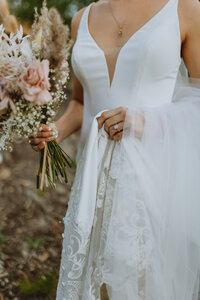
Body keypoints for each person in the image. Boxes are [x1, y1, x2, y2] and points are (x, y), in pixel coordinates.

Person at [30, 0, 200, 299]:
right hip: (93, 179)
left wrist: (148, 120)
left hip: (154, 176)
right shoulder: (81, 19)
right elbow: (82, 103)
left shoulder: (184, 9)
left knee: (144, 282)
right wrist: (56, 131)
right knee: (97, 283)